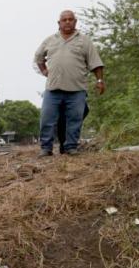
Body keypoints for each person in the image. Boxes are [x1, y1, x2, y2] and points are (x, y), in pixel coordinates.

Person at [34, 10, 105, 157]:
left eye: (70, 19)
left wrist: (99, 80)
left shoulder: (84, 41)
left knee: (74, 120)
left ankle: (70, 147)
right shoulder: (50, 40)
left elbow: (96, 63)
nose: (67, 22)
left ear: (75, 22)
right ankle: (46, 148)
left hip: (76, 89)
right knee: (47, 118)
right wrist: (45, 71)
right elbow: (39, 57)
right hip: (53, 89)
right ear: (59, 23)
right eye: (64, 20)